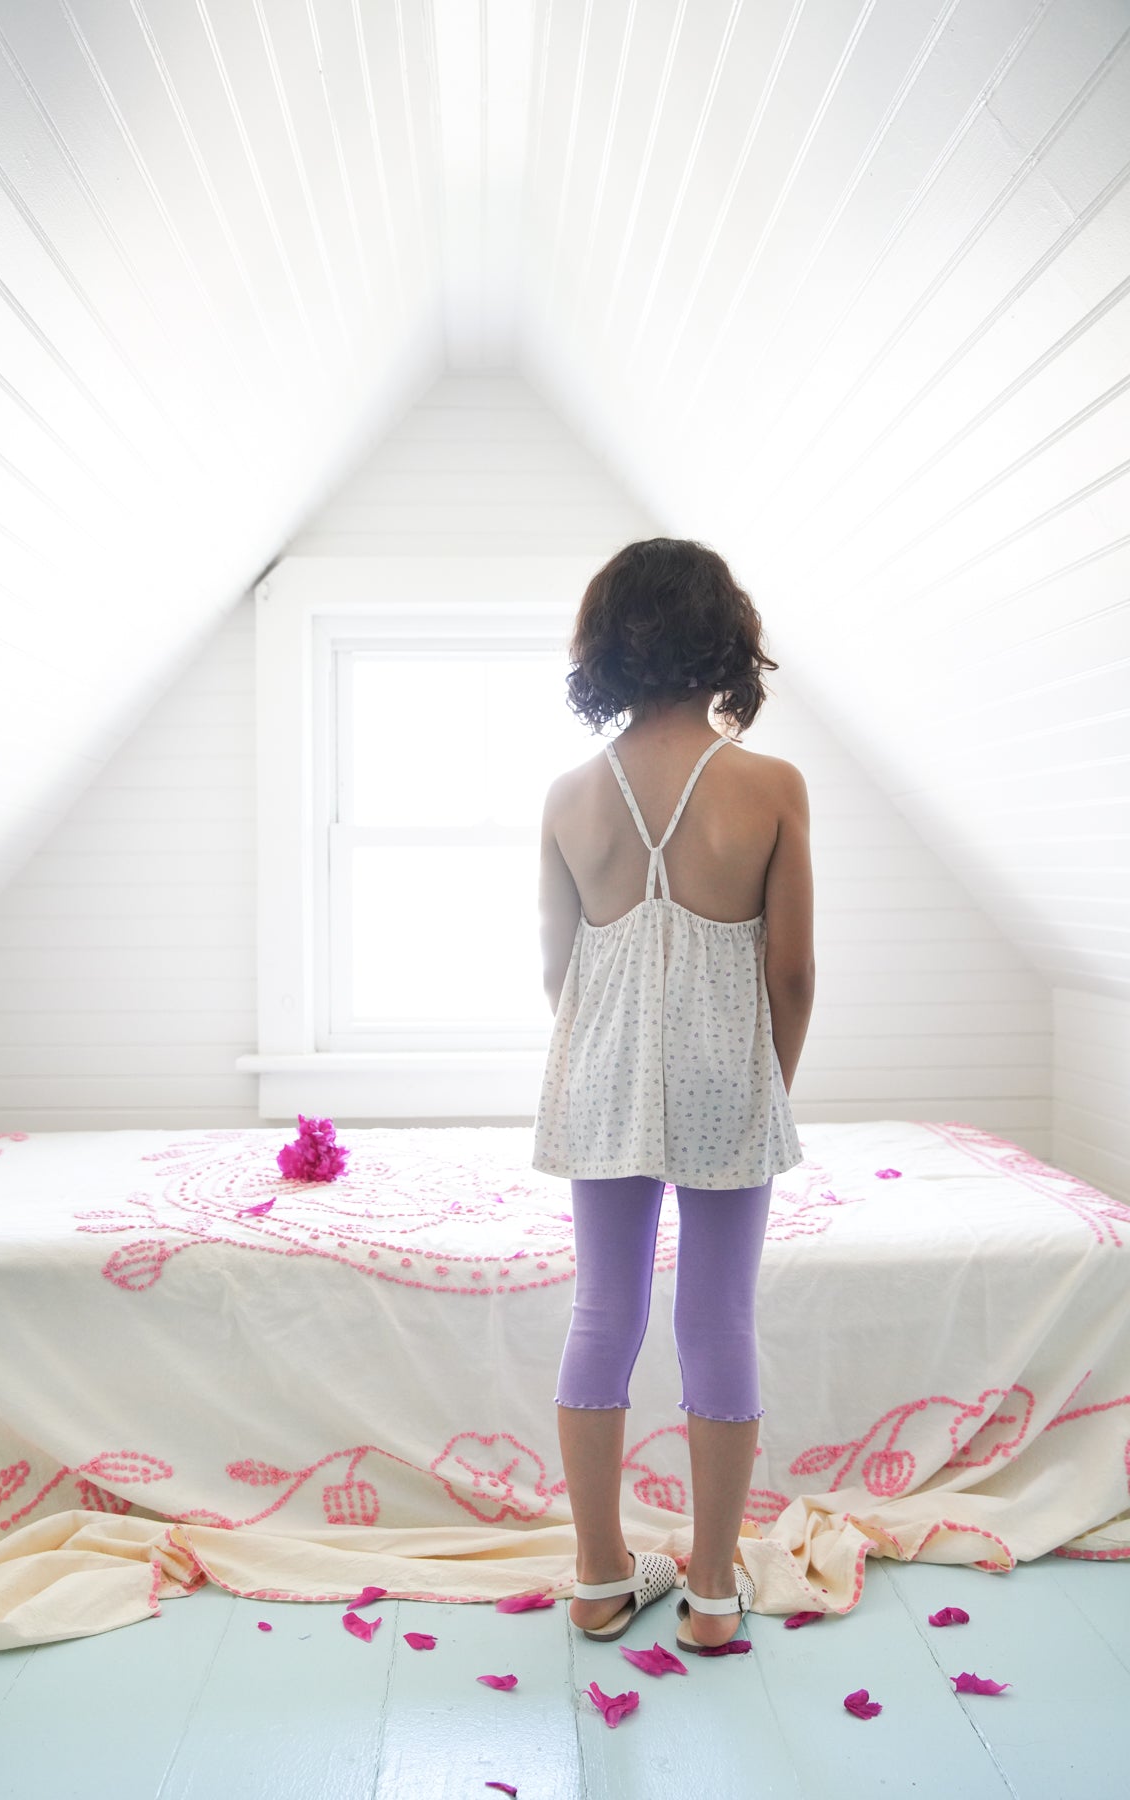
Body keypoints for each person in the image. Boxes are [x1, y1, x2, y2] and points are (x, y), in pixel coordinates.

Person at [532, 537, 815, 1651]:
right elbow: (791, 973)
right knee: (718, 1318)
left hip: (602, 1073)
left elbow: (559, 972)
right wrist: (766, 1085)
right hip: (725, 1074)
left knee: (602, 1313)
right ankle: (708, 1592)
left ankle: (600, 1575)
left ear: (607, 646)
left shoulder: (569, 797)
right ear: (722, 641)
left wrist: (612, 1056)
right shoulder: (770, 787)